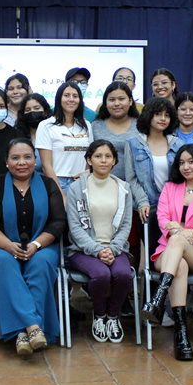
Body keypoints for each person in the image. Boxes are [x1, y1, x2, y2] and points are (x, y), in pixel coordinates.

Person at [0, 139, 66, 357]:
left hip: (42, 244)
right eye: (15, 157)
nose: (22, 162)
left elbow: (58, 222)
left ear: (35, 160)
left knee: (41, 264)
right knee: (3, 262)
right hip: (2, 244)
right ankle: (32, 328)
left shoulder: (48, 185)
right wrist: (8, 245)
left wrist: (37, 244)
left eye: (27, 157)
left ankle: (21, 332)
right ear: (6, 161)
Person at [143, 144, 193, 361]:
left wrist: (191, 232)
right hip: (167, 251)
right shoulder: (170, 188)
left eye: (191, 161)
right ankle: (182, 335)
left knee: (179, 238)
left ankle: (159, 297)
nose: (186, 166)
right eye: (181, 162)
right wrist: (177, 231)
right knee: (179, 265)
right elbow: (162, 221)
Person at [66, 140, 134, 343]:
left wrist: (113, 249)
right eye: (97, 156)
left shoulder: (124, 188)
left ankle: (113, 316)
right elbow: (75, 226)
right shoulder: (77, 188)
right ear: (89, 160)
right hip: (83, 250)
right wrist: (96, 250)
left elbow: (126, 225)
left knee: (123, 274)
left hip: (115, 248)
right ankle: (99, 314)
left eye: (108, 156)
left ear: (114, 160)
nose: (103, 160)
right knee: (101, 274)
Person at [125, 97, 179, 252]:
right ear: (148, 116)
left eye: (167, 115)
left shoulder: (178, 144)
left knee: (172, 249)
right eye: (158, 114)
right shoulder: (133, 144)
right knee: (152, 252)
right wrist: (142, 202)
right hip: (146, 207)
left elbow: (181, 180)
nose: (163, 119)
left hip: (172, 207)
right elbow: (131, 178)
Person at [37, 81, 93, 193]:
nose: (71, 99)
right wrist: (60, 194)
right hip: (57, 182)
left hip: (81, 182)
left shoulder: (86, 125)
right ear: (59, 99)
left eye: (75, 96)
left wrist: (87, 174)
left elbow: (90, 157)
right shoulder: (46, 125)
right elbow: (46, 165)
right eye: (66, 95)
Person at [91, 82, 139, 177]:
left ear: (130, 101)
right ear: (105, 103)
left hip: (133, 186)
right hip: (101, 184)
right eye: (112, 100)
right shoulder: (95, 126)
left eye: (121, 99)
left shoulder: (141, 125)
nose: (117, 103)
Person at [15, 93, 51, 173]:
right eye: (28, 110)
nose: (32, 112)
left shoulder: (53, 134)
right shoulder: (18, 136)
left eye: (36, 108)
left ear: (45, 111)